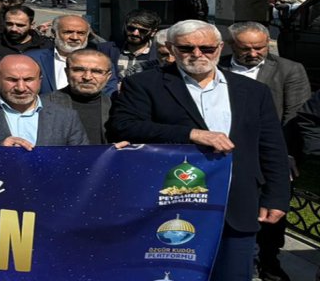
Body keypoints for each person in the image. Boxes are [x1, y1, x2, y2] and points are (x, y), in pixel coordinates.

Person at [107, 20, 290, 281]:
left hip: (236, 205)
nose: (197, 54)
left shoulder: (253, 91)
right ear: (171, 48)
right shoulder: (145, 84)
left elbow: (271, 147)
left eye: (206, 48)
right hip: (171, 207)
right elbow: (124, 126)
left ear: (220, 47)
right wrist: (191, 134)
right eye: (186, 48)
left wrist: (277, 197)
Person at [220, 21, 311, 281]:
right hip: (227, 154)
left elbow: (294, 116)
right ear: (231, 45)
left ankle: (269, 262)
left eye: (260, 47)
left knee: (272, 213)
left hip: (270, 153)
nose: (254, 53)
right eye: (246, 48)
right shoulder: (218, 67)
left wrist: (286, 156)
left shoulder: (288, 69)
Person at [0, 54, 88, 147]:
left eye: (28, 80)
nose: (21, 88)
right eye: (12, 80)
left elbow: (81, 160)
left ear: (40, 80)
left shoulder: (66, 117)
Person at [0, 4, 51, 99]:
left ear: (32, 25)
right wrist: (11, 87)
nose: (14, 29)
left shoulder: (46, 46)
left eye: (20, 25)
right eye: (9, 24)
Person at [24, 15, 121, 95]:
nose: (74, 37)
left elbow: (108, 95)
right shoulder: (32, 59)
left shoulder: (102, 62)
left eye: (81, 33)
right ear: (54, 33)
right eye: (68, 32)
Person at [45, 49, 114, 143]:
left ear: (108, 76)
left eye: (96, 71)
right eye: (79, 70)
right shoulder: (43, 104)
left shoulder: (116, 106)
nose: (87, 77)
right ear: (67, 72)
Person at [117, 9, 162, 77]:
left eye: (142, 31)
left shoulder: (159, 53)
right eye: (131, 28)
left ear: (153, 32)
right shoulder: (108, 50)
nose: (135, 33)